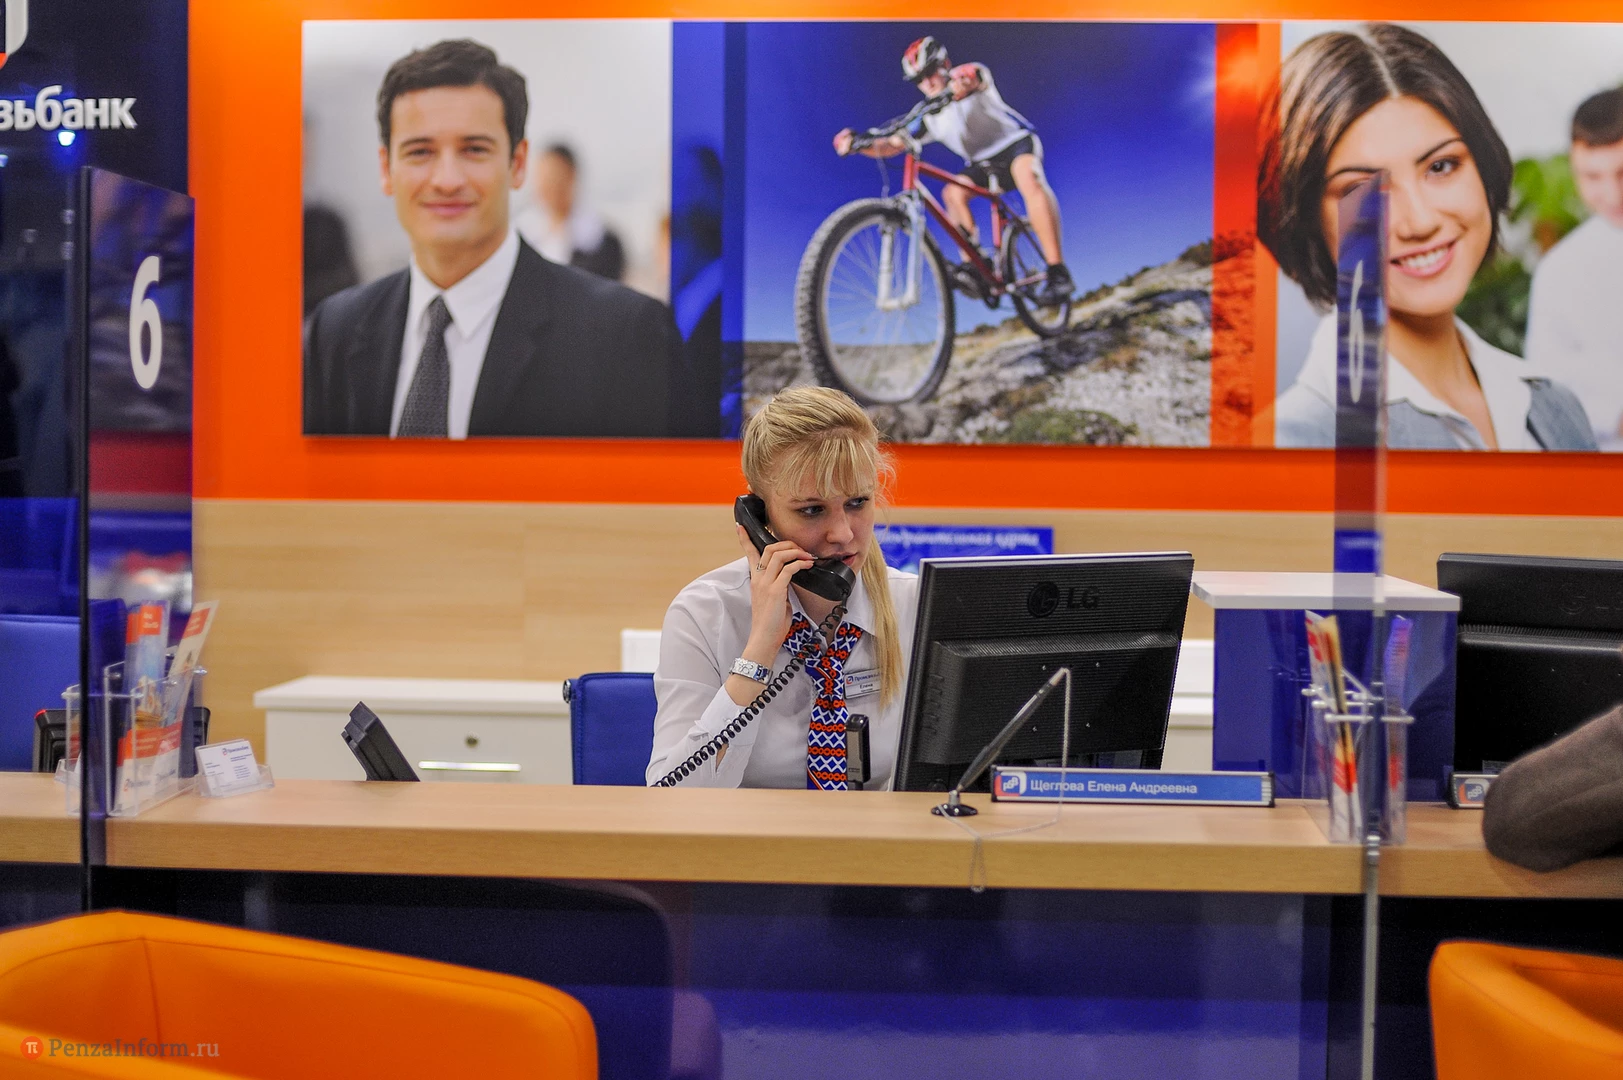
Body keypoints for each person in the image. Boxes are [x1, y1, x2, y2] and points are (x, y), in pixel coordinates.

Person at [303, 39, 682, 439]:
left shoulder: (623, 336)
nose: (447, 180)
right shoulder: (337, 332)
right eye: (420, 152)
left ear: (517, 164)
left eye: (474, 150)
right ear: (386, 169)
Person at [1260, 24, 1595, 452]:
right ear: (1306, 221)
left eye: (1440, 166)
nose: (1418, 221)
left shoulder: (1555, 406)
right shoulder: (1290, 444)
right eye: (1362, 189)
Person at [648, 387, 919, 789]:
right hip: (747, 833)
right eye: (812, 510)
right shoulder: (705, 613)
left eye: (858, 503)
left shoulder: (915, 606)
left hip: (877, 831)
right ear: (760, 517)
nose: (843, 534)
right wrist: (759, 650)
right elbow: (670, 795)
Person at [832, 35, 1073, 307]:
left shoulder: (969, 81)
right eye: (919, 79)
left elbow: (975, 75)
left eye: (930, 72)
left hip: (1015, 145)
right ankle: (974, 265)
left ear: (945, 64)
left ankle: (1057, 271)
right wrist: (857, 144)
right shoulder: (928, 116)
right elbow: (893, 144)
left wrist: (963, 80)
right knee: (952, 194)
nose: (927, 82)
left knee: (1029, 177)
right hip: (981, 163)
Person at [1525, 87, 1623, 451]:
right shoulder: (1559, 271)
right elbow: (1547, 389)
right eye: (1592, 177)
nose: (1612, 194)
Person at [514, 143, 627, 283]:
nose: (549, 186)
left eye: (555, 176)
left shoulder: (603, 241)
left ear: (572, 176)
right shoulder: (521, 236)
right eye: (543, 178)